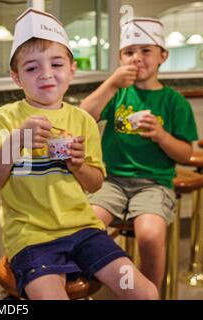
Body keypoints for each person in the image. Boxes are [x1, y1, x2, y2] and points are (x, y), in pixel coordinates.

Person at [0, 8, 158, 300]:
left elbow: (95, 184)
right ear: (16, 77)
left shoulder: (83, 120)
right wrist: (17, 139)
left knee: (144, 291)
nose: (46, 74)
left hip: (85, 231)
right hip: (31, 238)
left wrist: (77, 165)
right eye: (32, 68)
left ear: (71, 69)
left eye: (56, 64)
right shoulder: (5, 119)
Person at [81, 17, 198, 290]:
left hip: (154, 183)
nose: (137, 58)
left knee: (149, 234)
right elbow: (84, 115)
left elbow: (185, 153)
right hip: (110, 180)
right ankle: (117, 281)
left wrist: (161, 135)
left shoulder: (174, 102)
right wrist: (111, 83)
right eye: (129, 52)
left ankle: (147, 293)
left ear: (163, 56)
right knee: (88, 225)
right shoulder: (118, 94)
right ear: (120, 57)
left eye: (146, 50)